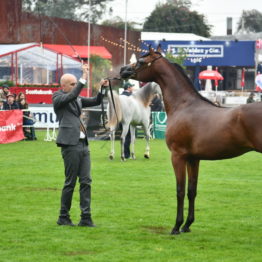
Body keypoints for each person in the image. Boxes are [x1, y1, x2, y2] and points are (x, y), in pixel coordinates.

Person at [53, 63, 109, 227]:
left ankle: (86, 217)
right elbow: (72, 95)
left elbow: (96, 100)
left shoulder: (76, 98)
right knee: (70, 182)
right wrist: (83, 78)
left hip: (83, 145)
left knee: (86, 181)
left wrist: (102, 88)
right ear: (63, 86)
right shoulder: (57, 98)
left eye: (74, 83)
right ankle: (63, 217)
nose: (74, 86)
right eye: (72, 84)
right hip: (70, 145)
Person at [121, 81, 134, 159]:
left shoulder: (120, 96)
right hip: (128, 118)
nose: (132, 88)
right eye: (131, 87)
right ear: (129, 88)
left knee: (122, 136)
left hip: (119, 118)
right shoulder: (131, 96)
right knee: (128, 136)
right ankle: (126, 154)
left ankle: (122, 152)